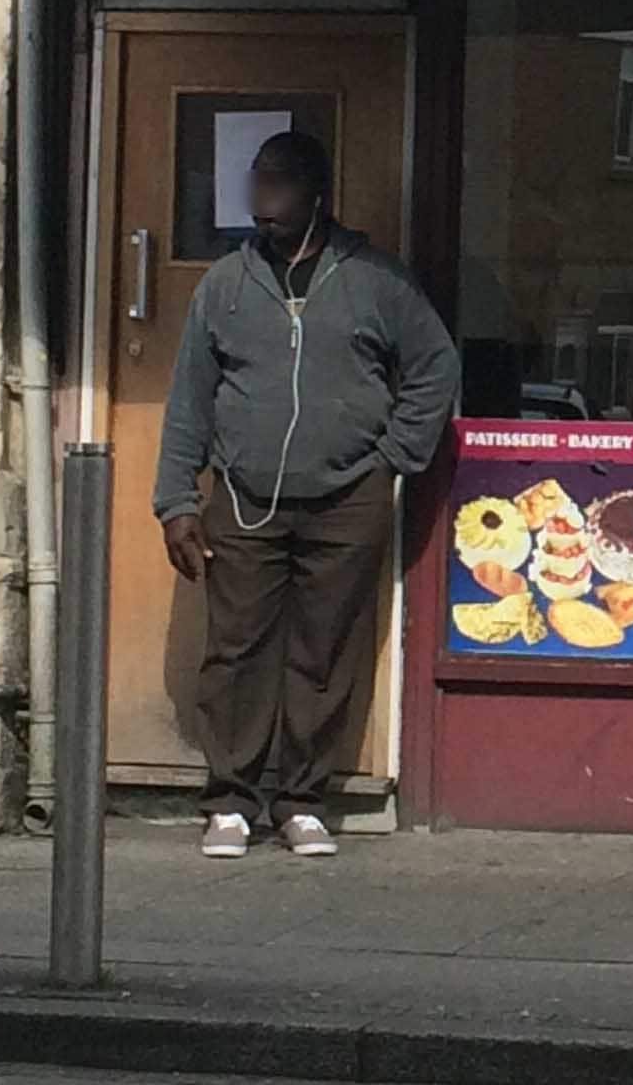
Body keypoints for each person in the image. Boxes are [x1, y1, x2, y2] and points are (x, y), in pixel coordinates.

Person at [154, 131, 457, 860]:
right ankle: (230, 799)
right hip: (245, 494)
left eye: (280, 187)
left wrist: (390, 460)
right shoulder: (226, 283)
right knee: (235, 649)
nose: (264, 204)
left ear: (318, 193)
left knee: (324, 650)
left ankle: (300, 799)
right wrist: (177, 501)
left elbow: (434, 369)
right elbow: (190, 397)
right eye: (257, 187)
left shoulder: (376, 280)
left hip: (348, 494)